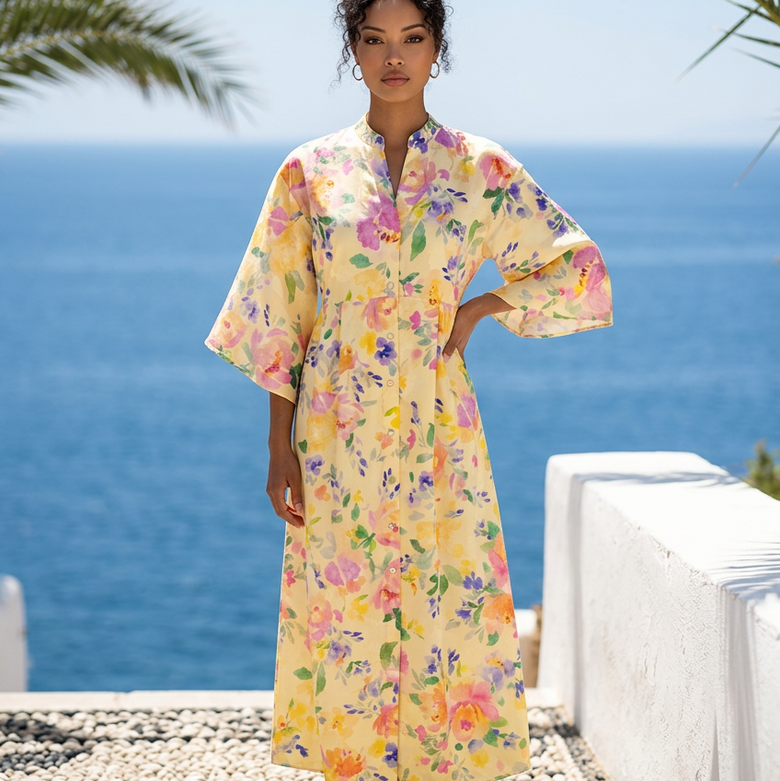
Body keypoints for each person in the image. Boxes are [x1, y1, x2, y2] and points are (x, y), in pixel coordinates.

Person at [205, 0, 612, 779]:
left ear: (437, 48)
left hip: (438, 432)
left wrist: (486, 305)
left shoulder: (480, 169)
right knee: (345, 616)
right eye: (375, 39)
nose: (395, 57)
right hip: (334, 433)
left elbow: (580, 272)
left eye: (413, 39)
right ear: (352, 49)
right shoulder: (308, 172)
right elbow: (280, 318)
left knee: (443, 608)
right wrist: (276, 446)